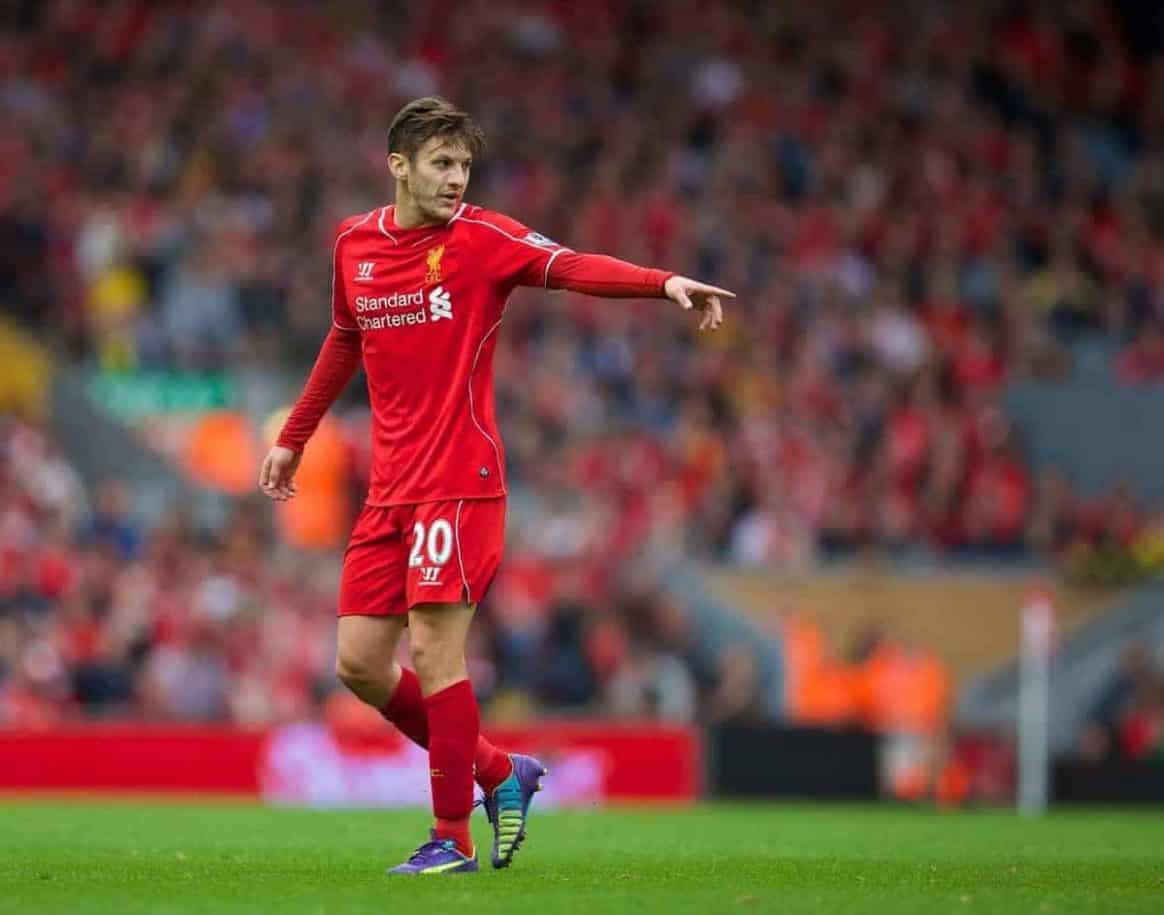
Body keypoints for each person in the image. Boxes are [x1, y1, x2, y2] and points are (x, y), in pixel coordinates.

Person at [259, 96, 731, 876]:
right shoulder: (354, 245)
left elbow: (574, 266)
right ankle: (500, 771)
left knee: (436, 653)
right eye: (441, 164)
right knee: (359, 665)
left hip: (460, 482)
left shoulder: (486, 238)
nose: (455, 179)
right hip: (389, 489)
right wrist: (293, 438)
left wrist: (664, 282)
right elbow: (344, 339)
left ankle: (451, 839)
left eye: (464, 165)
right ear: (399, 165)